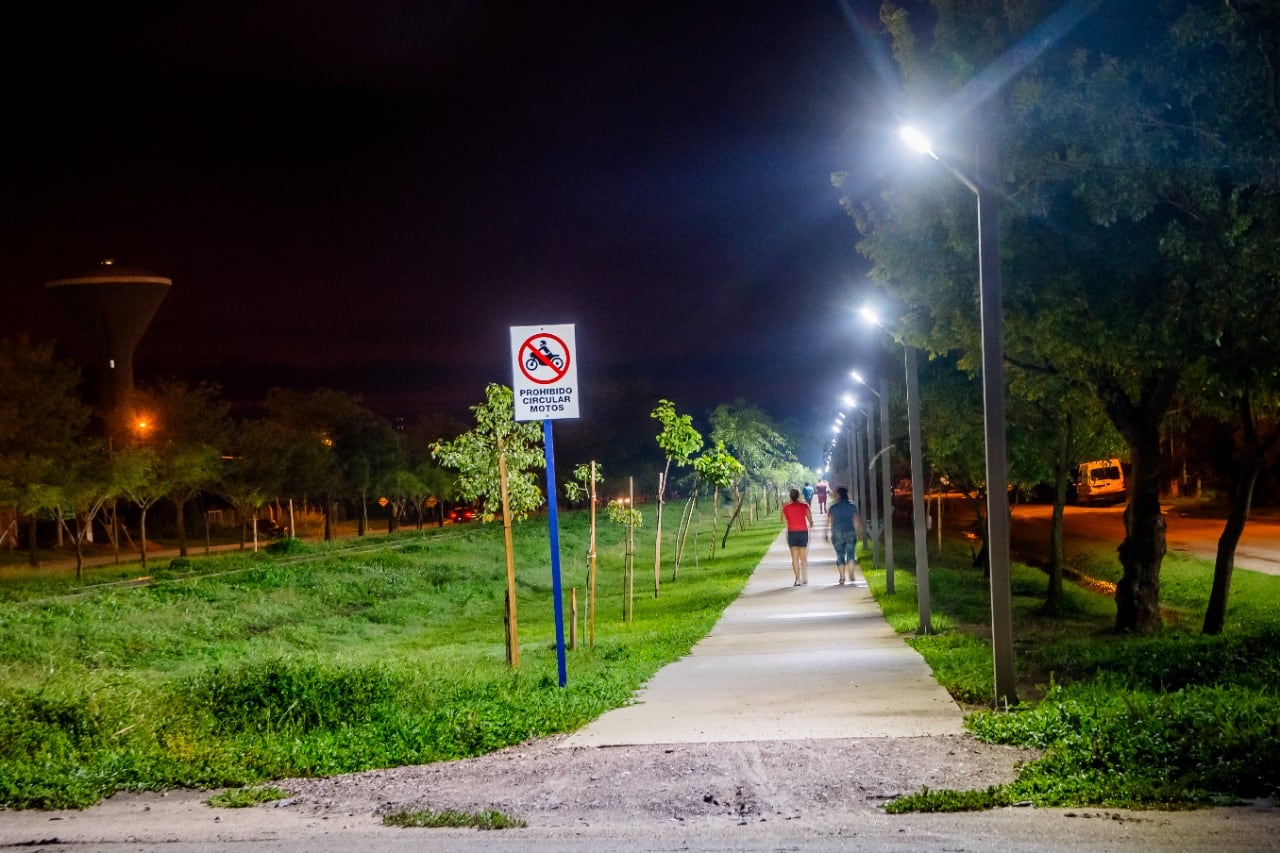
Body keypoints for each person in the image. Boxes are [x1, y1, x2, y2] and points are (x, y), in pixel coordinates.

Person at [824, 486, 861, 585]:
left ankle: (842, 577)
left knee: (840, 555)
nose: (835, 495)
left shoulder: (833, 507)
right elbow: (856, 521)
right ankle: (851, 572)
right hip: (850, 531)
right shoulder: (852, 506)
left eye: (836, 494)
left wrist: (826, 534)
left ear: (839, 495)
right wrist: (857, 532)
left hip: (837, 532)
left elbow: (829, 521)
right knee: (851, 554)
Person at [781, 487, 814, 586]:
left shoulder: (786, 507)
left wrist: (785, 511)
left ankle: (797, 579)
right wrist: (809, 525)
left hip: (792, 533)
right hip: (803, 532)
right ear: (799, 495)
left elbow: (782, 520)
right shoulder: (804, 505)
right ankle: (805, 576)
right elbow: (810, 521)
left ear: (790, 496)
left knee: (794, 557)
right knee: (803, 556)